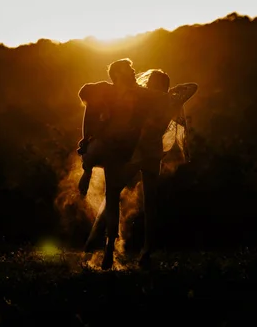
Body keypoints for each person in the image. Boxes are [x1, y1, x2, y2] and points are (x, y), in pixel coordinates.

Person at [82, 68, 198, 269]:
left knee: (113, 193)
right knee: (150, 205)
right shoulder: (168, 101)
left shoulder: (146, 99)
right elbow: (192, 87)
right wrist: (170, 93)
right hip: (153, 155)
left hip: (137, 154)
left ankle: (108, 245)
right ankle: (146, 250)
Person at [77, 58, 164, 269]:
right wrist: (89, 134)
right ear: (117, 75)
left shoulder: (141, 93)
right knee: (112, 193)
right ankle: (109, 247)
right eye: (129, 69)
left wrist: (170, 97)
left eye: (133, 68)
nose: (134, 71)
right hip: (117, 148)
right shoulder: (107, 91)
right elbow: (85, 93)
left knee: (127, 196)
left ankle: (141, 250)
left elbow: (162, 100)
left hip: (134, 149)